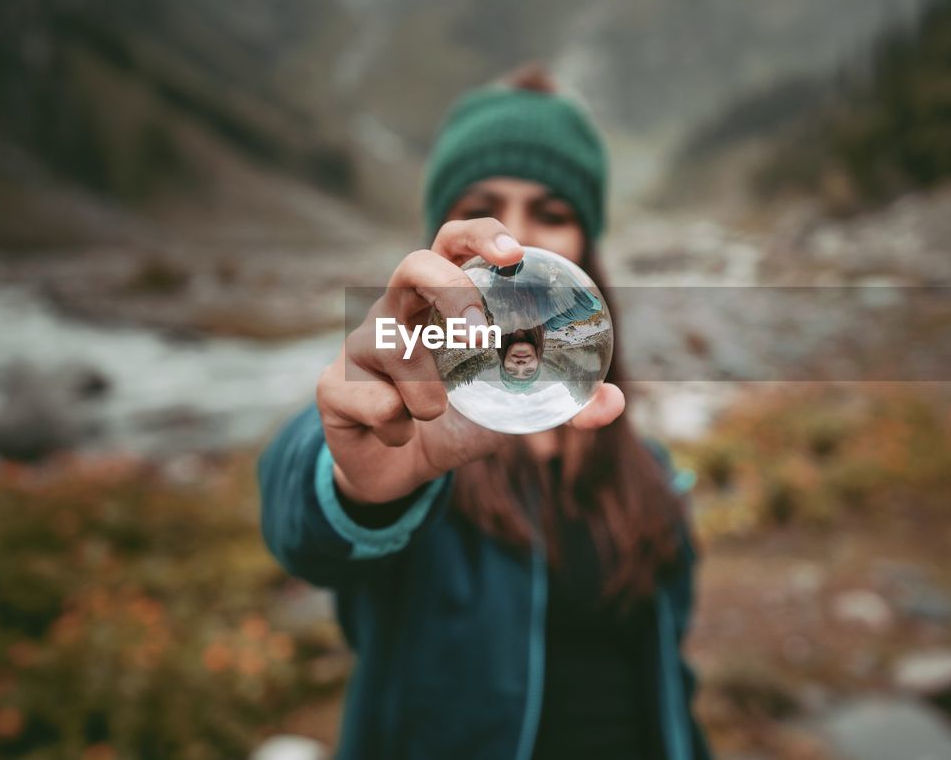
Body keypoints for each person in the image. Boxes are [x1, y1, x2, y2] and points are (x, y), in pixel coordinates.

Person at [256, 64, 712, 760]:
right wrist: (358, 484)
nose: (519, 243)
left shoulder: (647, 470)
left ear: (587, 246)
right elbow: (298, 518)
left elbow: (666, 678)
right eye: (485, 207)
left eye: (553, 214)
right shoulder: (411, 430)